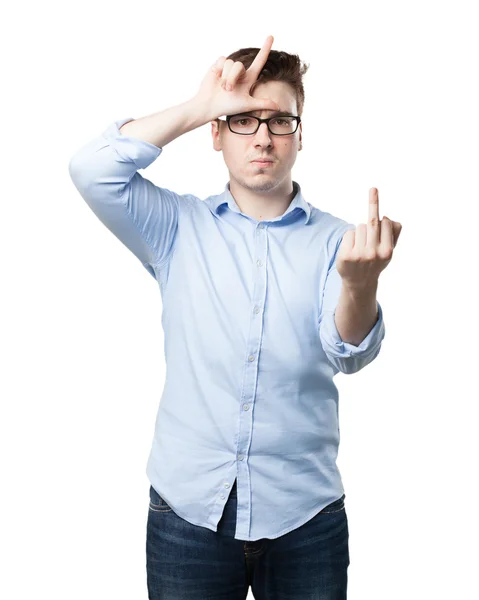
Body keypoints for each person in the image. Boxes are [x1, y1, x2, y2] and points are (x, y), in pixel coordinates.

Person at [69, 35, 389, 600]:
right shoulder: (175, 227)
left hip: (304, 517)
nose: (263, 136)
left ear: (299, 136)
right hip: (186, 512)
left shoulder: (338, 241)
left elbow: (348, 352)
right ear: (215, 135)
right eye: (242, 120)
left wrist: (360, 285)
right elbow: (92, 169)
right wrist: (198, 107)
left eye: (279, 121)